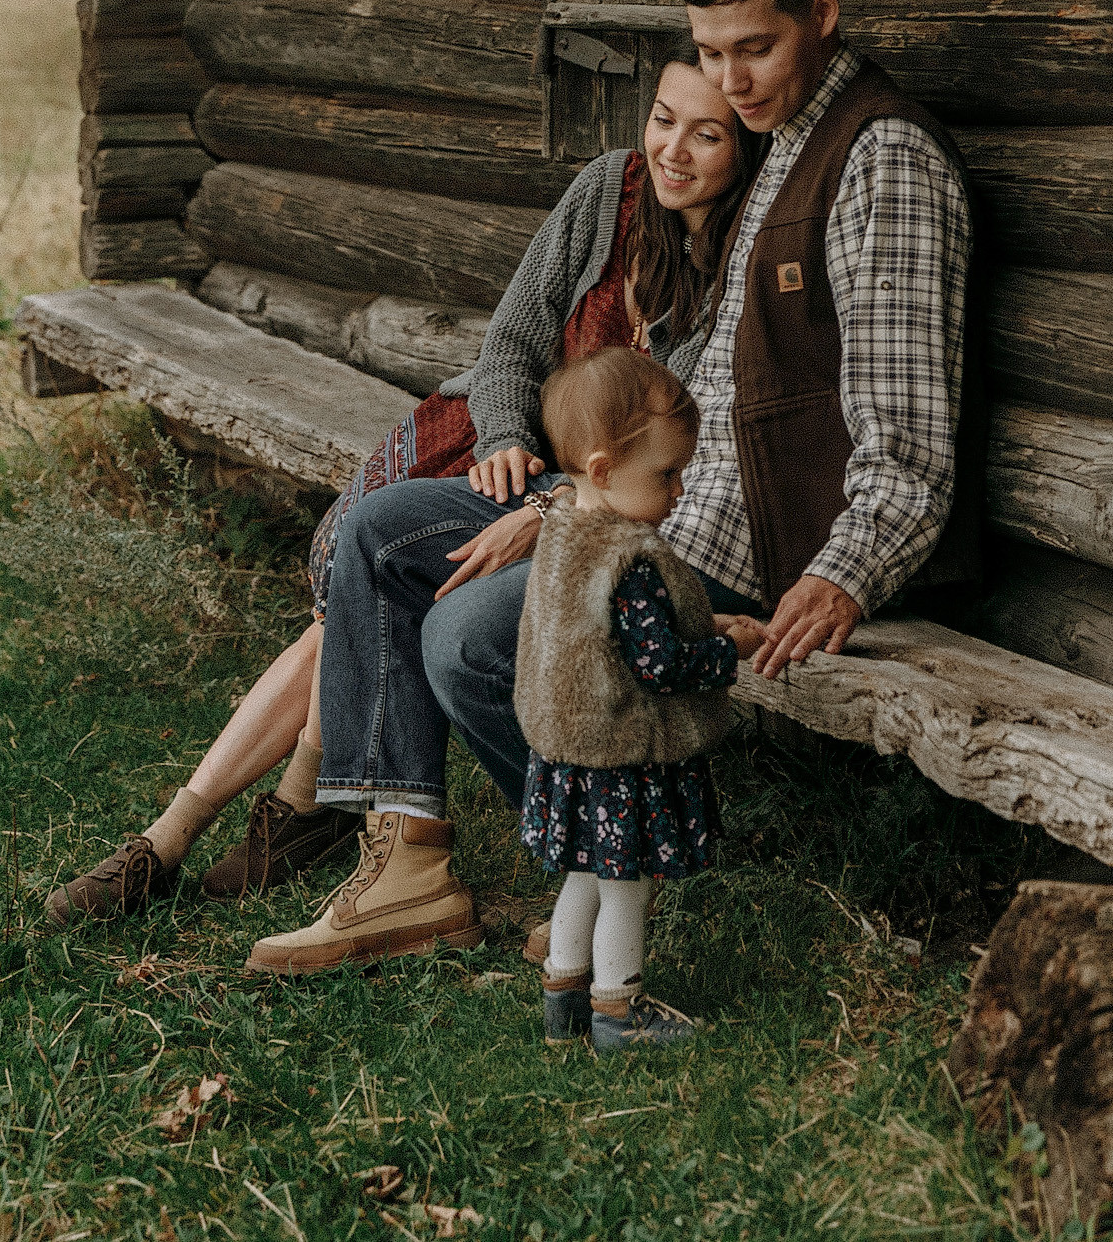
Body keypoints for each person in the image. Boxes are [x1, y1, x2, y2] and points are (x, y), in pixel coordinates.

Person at [247, 0, 976, 976]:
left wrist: (847, 573)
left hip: (749, 542)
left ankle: (601, 863)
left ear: (823, 13)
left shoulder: (882, 165)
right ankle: (408, 866)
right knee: (387, 531)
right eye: (708, 52)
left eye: (755, 48)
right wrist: (562, 505)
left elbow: (907, 431)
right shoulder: (780, 138)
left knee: (471, 638)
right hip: (656, 498)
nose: (728, 81)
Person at [43, 59, 765, 925]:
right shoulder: (607, 189)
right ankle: (250, 823)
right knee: (369, 546)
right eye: (662, 118)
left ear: (747, 148)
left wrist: (541, 511)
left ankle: (229, 826)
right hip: (501, 448)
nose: (672, 150)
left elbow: (646, 466)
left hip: (590, 507)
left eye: (707, 133)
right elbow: (511, 344)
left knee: (377, 585)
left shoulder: (737, 267)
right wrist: (503, 439)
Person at [516, 349, 764, 1054]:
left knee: (582, 877)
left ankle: (562, 1000)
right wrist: (730, 651)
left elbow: (598, 639)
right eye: (666, 473)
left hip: (572, 748)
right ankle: (619, 1010)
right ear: (601, 469)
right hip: (623, 755)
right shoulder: (632, 561)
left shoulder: (563, 534)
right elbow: (659, 665)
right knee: (626, 884)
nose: (681, 488)